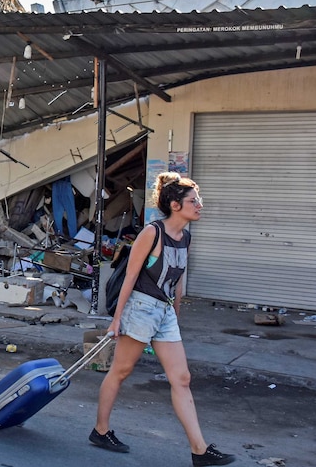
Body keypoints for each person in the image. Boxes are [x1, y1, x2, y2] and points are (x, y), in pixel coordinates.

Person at [90, 172, 235, 467]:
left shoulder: (186, 237)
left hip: (165, 312)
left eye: (199, 200)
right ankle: (100, 430)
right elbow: (130, 276)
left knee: (182, 378)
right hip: (141, 308)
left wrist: (175, 315)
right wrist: (116, 320)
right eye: (194, 201)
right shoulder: (152, 233)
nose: (200, 205)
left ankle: (199, 450)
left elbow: (177, 280)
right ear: (175, 205)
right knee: (120, 371)